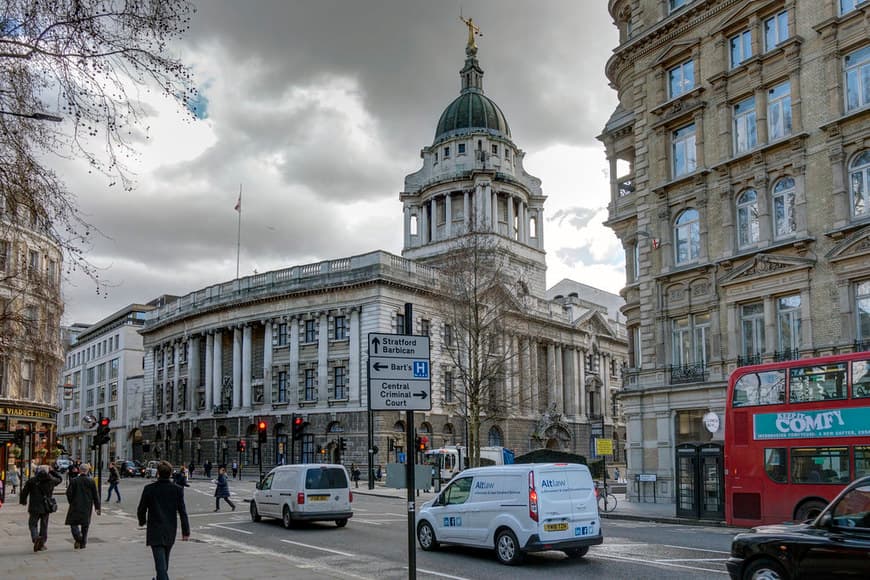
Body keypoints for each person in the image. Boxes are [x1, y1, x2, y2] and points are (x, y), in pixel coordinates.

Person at [138, 461, 190, 580]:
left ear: (157, 473)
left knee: (161, 566)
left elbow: (141, 509)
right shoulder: (177, 490)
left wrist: (142, 521)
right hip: (170, 530)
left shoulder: (149, 489)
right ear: (171, 473)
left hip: (155, 530)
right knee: (163, 563)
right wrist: (185, 531)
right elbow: (182, 512)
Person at [20, 464, 62, 552]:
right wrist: (52, 471)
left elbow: (24, 492)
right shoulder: (51, 480)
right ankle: (42, 543)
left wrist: (23, 501)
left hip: (34, 506)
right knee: (44, 525)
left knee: (32, 524)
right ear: (47, 471)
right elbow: (60, 479)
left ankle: (35, 538)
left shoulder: (32, 481)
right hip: (46, 507)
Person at [65, 463, 100, 549]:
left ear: (80, 470)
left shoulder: (74, 480)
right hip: (87, 505)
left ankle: (78, 537)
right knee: (85, 524)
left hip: (75, 505)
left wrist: (71, 501)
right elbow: (95, 495)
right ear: (87, 471)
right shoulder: (91, 481)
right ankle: (83, 542)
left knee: (73, 523)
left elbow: (68, 493)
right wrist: (97, 507)